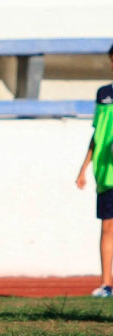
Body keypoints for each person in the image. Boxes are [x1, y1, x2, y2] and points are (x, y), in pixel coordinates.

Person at [76, 43, 113, 298]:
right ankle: (106, 283)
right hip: (105, 174)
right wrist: (84, 167)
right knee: (107, 227)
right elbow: (97, 134)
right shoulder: (103, 94)